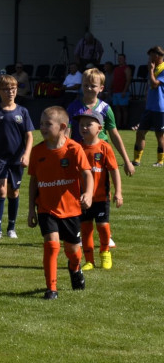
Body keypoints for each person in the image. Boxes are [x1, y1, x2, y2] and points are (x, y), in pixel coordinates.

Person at [27, 106, 93, 300]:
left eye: (48, 124)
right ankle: (51, 289)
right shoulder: (37, 151)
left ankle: (75, 268)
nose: (43, 128)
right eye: (41, 124)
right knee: (52, 244)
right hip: (46, 208)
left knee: (73, 252)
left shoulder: (74, 149)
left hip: (71, 210)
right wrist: (31, 209)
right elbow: (33, 181)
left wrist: (88, 193)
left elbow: (86, 173)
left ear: (62, 126)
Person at [0, 74, 34, 242]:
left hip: (17, 159)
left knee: (14, 192)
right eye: (6, 89)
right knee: (1, 190)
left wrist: (26, 154)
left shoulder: (23, 111)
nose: (11, 92)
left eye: (13, 88)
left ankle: (11, 227)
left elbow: (30, 136)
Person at [64, 67, 135, 176]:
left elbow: (114, 134)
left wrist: (126, 160)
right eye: (85, 85)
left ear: (101, 88)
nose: (89, 88)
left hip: (100, 155)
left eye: (93, 86)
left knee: (101, 188)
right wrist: (64, 155)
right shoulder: (73, 107)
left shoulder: (105, 108)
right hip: (79, 154)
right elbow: (67, 133)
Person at [75, 108, 122, 271]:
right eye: (81, 124)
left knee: (102, 226)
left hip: (101, 197)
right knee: (86, 229)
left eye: (89, 124)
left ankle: (105, 253)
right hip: (83, 198)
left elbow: (114, 170)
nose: (84, 127)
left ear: (100, 129)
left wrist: (118, 192)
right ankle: (89, 260)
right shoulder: (77, 148)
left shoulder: (104, 148)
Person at [133, 46, 164, 168]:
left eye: (151, 55)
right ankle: (136, 160)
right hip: (149, 108)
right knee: (140, 133)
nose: (149, 58)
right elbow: (149, 87)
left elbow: (155, 84)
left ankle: (160, 161)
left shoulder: (161, 69)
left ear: (157, 56)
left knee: (160, 135)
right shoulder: (153, 68)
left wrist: (151, 70)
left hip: (160, 108)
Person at [111, 53, 133, 130]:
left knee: (124, 109)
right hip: (115, 92)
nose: (119, 59)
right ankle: (118, 124)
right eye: (119, 58)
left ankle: (124, 124)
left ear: (124, 59)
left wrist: (124, 90)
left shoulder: (127, 68)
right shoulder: (116, 69)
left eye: (121, 58)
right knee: (117, 109)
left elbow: (128, 80)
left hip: (123, 92)